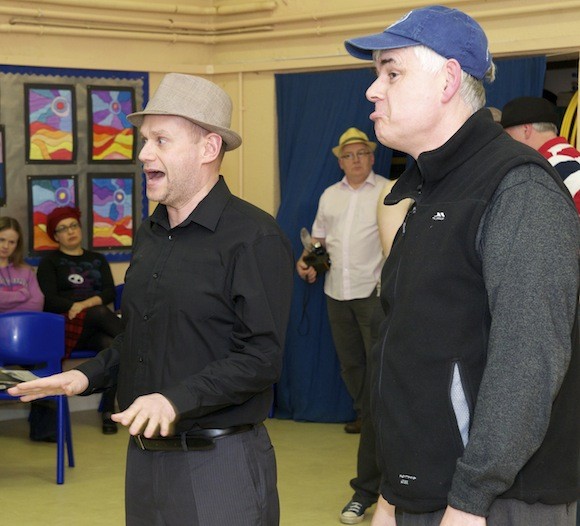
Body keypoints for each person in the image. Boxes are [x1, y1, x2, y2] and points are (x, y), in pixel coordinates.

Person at [10, 73, 294, 526]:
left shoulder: (254, 238)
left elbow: (262, 357)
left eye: (161, 140)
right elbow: (140, 337)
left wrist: (175, 400)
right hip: (144, 460)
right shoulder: (151, 233)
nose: (144, 154)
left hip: (219, 461)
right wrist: (83, 378)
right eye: (144, 140)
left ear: (208, 148)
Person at [343, 5, 580, 526]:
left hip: (495, 505)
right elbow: (408, 348)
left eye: (392, 72)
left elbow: (529, 361)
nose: (373, 90)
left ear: (448, 79)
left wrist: (471, 498)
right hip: (427, 493)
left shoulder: (518, 189)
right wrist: (391, 489)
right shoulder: (428, 191)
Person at [296, 127, 386, 524]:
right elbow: (318, 241)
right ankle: (365, 415)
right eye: (349, 155)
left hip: (373, 291)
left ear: (371, 157)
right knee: (351, 363)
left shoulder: (387, 191)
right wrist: (307, 261)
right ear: (340, 161)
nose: (356, 160)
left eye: (362, 154)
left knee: (377, 362)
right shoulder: (329, 195)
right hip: (336, 290)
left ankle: (375, 421)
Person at [37, 206, 124, 434]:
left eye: (73, 226)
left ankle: (108, 411)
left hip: (95, 327)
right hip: (66, 326)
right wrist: (76, 307)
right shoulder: (50, 262)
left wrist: (84, 304)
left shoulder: (97, 259)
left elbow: (109, 292)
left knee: (113, 347)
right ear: (56, 236)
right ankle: (141, 341)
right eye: (63, 229)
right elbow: (49, 299)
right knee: (102, 314)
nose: (70, 232)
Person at [501, 95, 580, 213]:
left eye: (508, 135)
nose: (507, 142)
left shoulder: (551, 167)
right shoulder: (572, 156)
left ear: (526, 130)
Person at [0, 216, 44, 313]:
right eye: (1, 240)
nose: (5, 246)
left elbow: (37, 305)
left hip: (24, 326)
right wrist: (22, 295)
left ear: (17, 245)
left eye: (11, 242)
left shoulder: (27, 271)